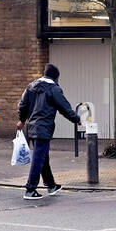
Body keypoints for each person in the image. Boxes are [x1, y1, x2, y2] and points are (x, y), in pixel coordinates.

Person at [17, 63, 81, 199]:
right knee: (38, 158)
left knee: (43, 157)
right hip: (44, 127)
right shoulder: (53, 89)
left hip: (32, 127)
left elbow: (22, 104)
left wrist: (22, 120)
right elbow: (64, 107)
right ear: (55, 77)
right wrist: (76, 119)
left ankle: (51, 186)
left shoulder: (31, 86)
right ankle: (30, 189)